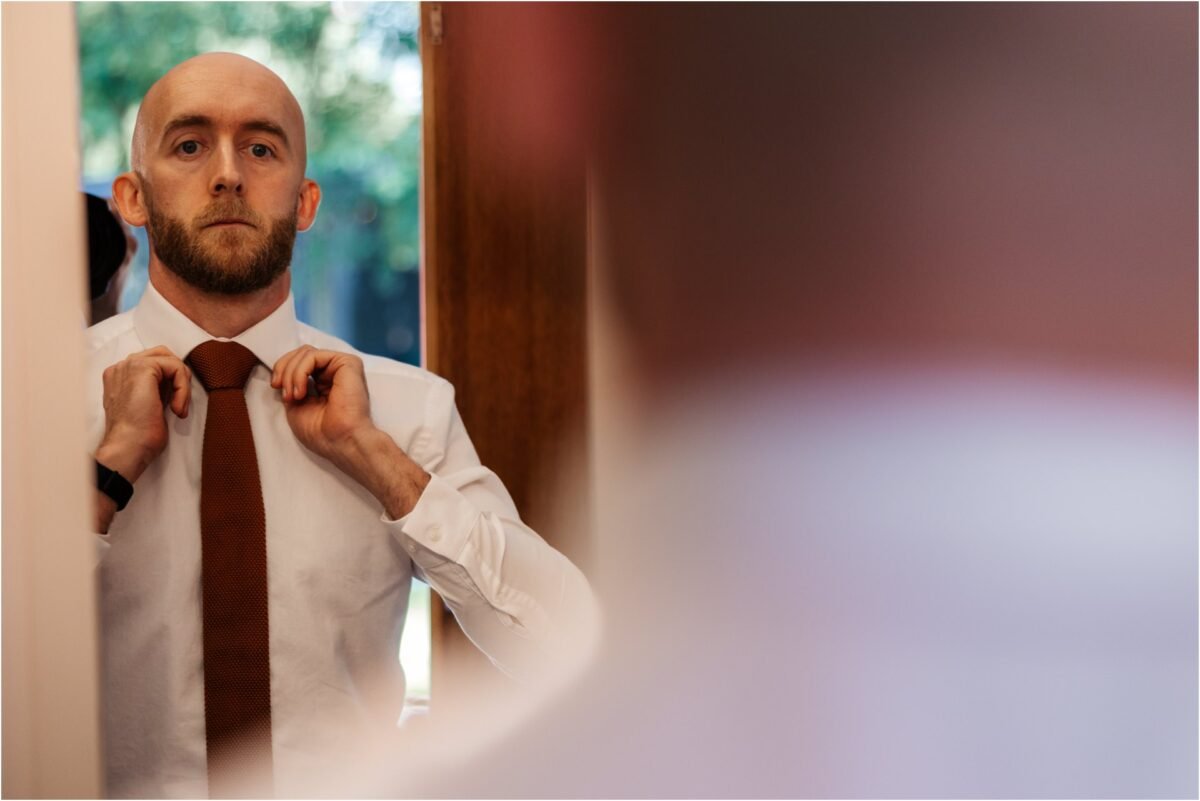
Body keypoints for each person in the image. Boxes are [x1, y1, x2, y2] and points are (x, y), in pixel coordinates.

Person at [85, 52, 596, 799]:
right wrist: (106, 471)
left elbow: (569, 650)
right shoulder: (35, 404)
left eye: (261, 149)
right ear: (132, 196)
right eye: (189, 145)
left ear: (305, 202)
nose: (228, 175)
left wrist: (377, 458)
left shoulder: (407, 408)